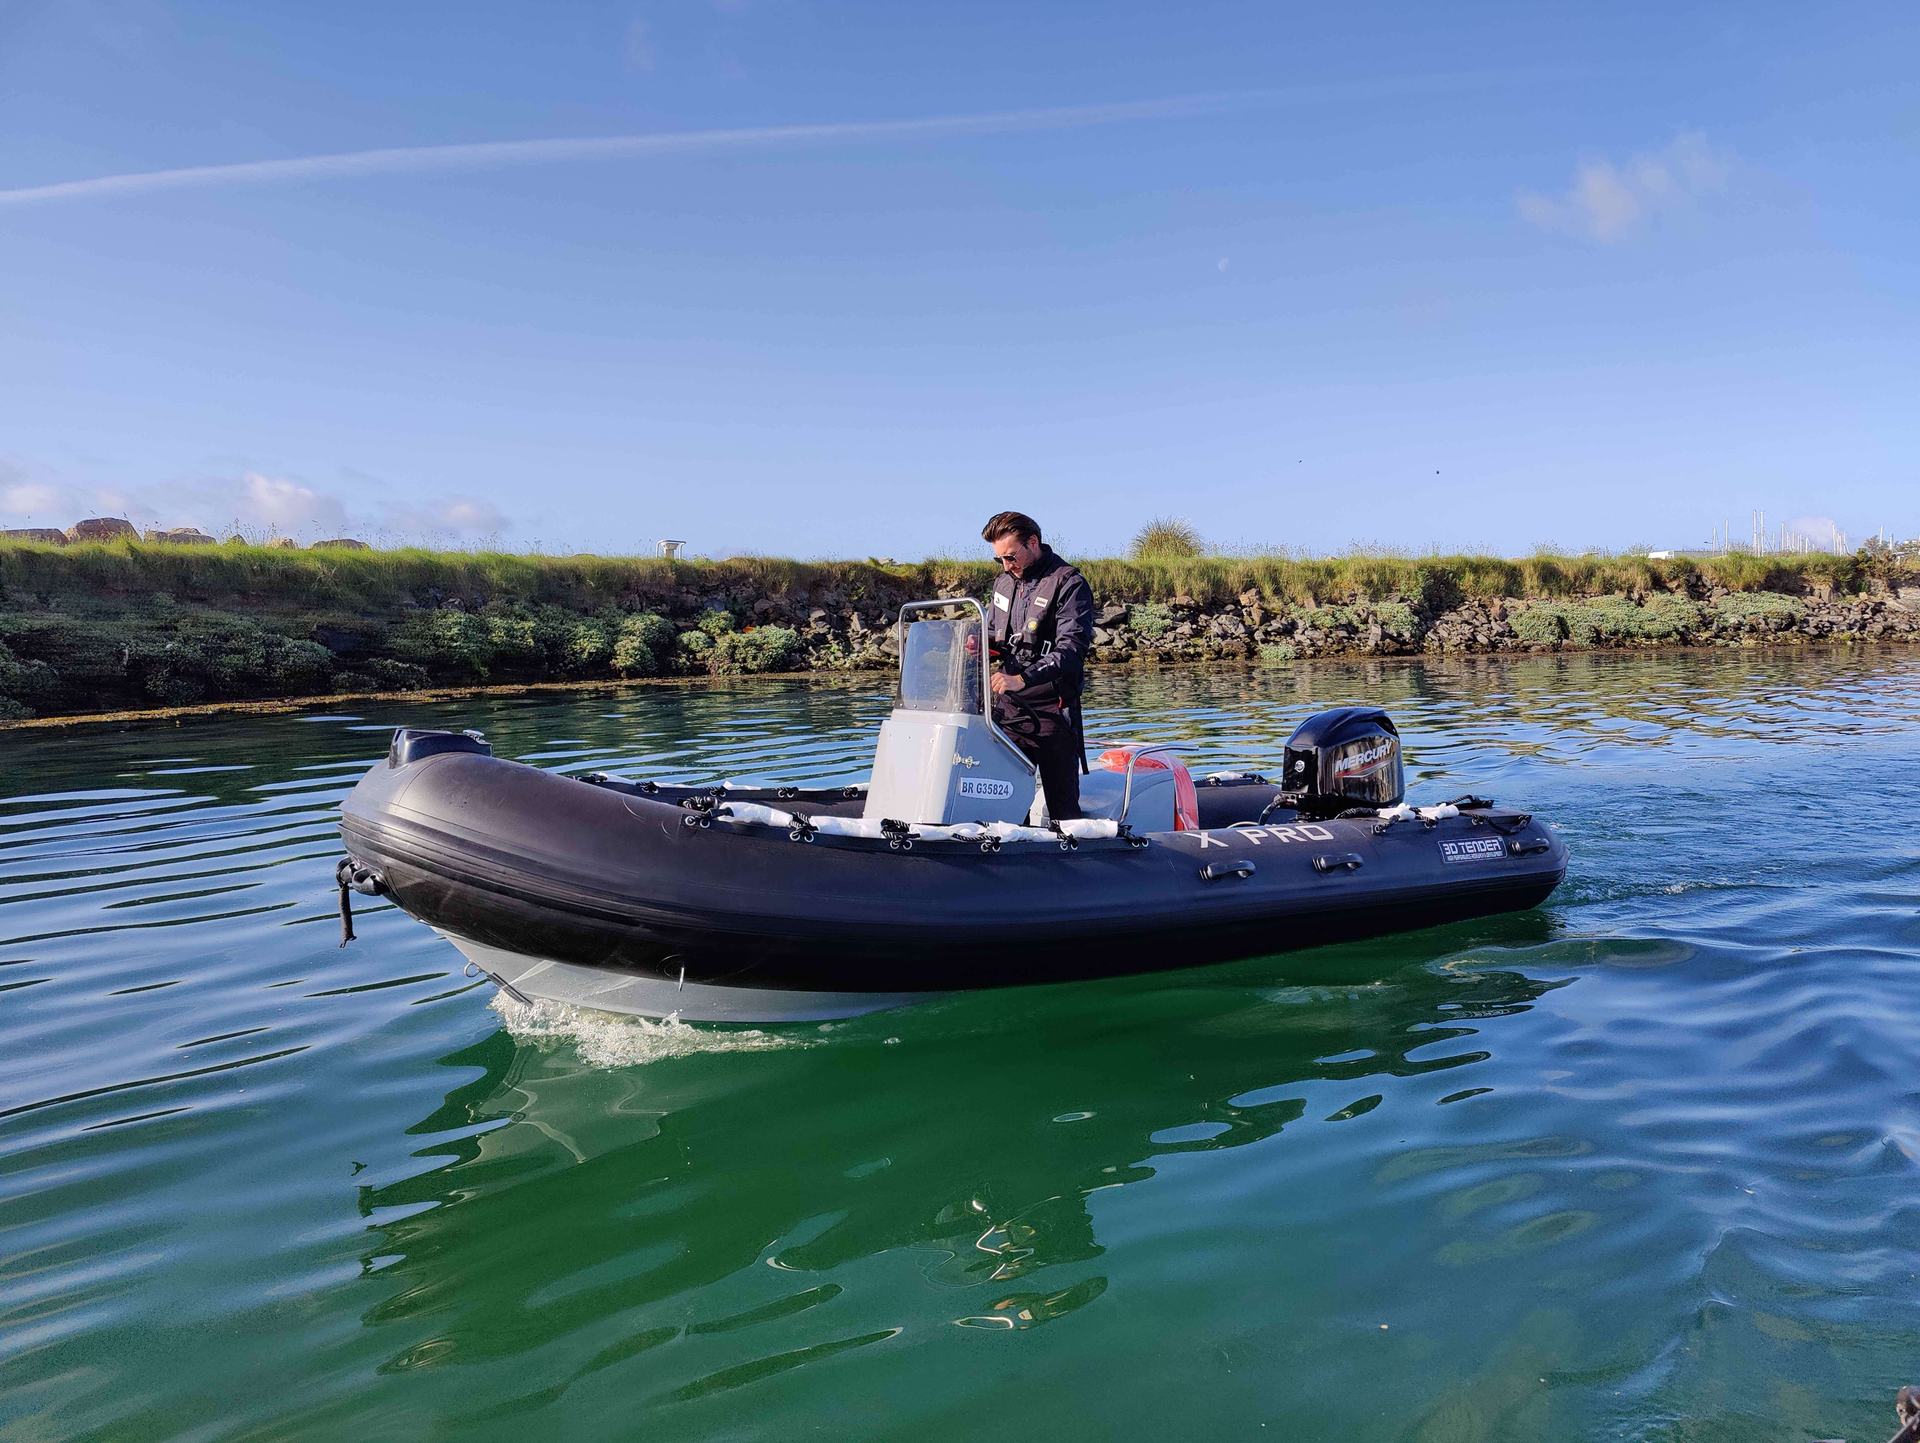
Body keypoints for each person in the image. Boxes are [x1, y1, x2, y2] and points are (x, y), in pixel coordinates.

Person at [981, 510, 1095, 820]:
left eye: (1011, 557)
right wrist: (979, 645)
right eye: (1000, 560)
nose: (1007, 566)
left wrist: (1023, 678)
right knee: (1002, 805)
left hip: (1052, 713)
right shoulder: (1003, 583)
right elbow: (996, 635)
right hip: (1007, 713)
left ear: (1033, 542)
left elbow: (1072, 649)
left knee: (1063, 810)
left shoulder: (1069, 583)